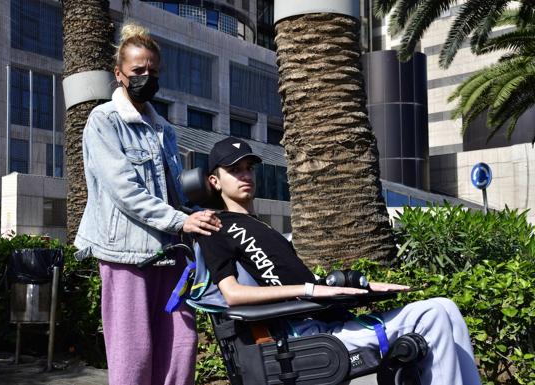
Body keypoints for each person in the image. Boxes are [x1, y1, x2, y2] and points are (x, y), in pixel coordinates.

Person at [195, 137, 482, 385]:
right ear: (214, 181)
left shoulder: (264, 228)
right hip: (307, 335)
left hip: (327, 320)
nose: (245, 176)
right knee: (432, 315)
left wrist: (362, 288)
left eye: (249, 168)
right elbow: (233, 294)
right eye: (234, 170)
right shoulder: (215, 226)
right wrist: (310, 290)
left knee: (446, 306)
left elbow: (296, 281)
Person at [74, 23, 221, 385]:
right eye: (138, 70)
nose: (146, 77)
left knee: (180, 348)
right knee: (134, 356)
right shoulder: (104, 121)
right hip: (126, 255)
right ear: (119, 73)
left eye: (152, 71)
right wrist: (180, 222)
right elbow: (124, 190)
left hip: (170, 253)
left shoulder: (164, 130)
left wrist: (202, 208)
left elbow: (173, 194)